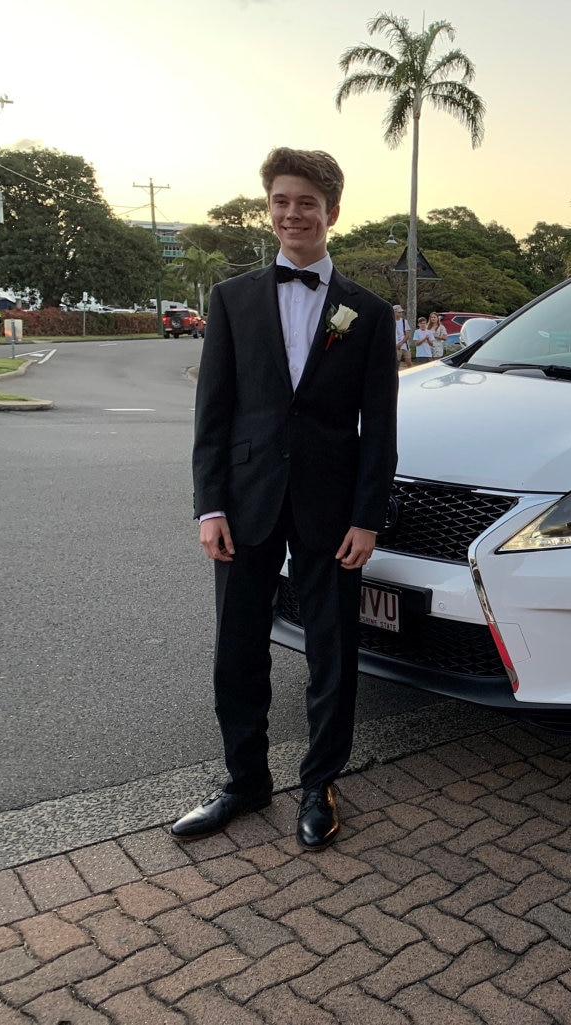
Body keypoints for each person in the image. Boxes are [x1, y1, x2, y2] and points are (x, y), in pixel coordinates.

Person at [180, 147, 398, 851]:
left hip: (332, 510)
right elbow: (212, 414)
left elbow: (380, 427)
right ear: (268, 208)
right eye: (280, 200)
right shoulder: (232, 298)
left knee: (332, 648)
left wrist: (367, 516)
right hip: (244, 503)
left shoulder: (367, 312)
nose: (291, 213)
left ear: (331, 212)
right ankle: (244, 781)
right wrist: (209, 506)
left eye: (306, 201)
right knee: (237, 646)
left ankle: (319, 783)